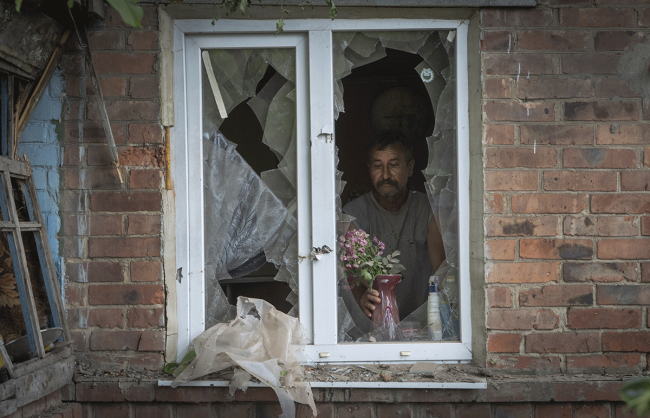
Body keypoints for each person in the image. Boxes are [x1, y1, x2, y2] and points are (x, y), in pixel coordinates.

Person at [343, 131, 445, 320]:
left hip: (424, 323)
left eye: (394, 165)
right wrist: (360, 297)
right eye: (377, 166)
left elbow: (442, 275)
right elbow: (352, 275)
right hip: (373, 324)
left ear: (410, 167)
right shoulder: (354, 214)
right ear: (369, 169)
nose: (385, 175)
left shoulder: (428, 210)